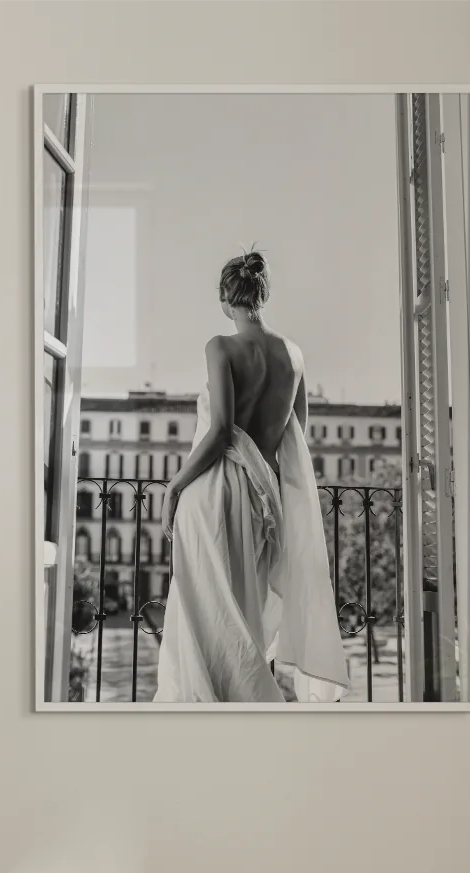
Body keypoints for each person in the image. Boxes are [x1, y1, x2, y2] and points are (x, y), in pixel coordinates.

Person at [153, 249, 349, 703]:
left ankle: (225, 709)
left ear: (226, 297)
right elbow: (297, 435)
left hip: (215, 493)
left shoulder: (219, 347)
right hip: (264, 497)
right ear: (262, 295)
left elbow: (222, 430)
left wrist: (176, 484)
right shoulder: (293, 355)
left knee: (207, 610)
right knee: (243, 611)